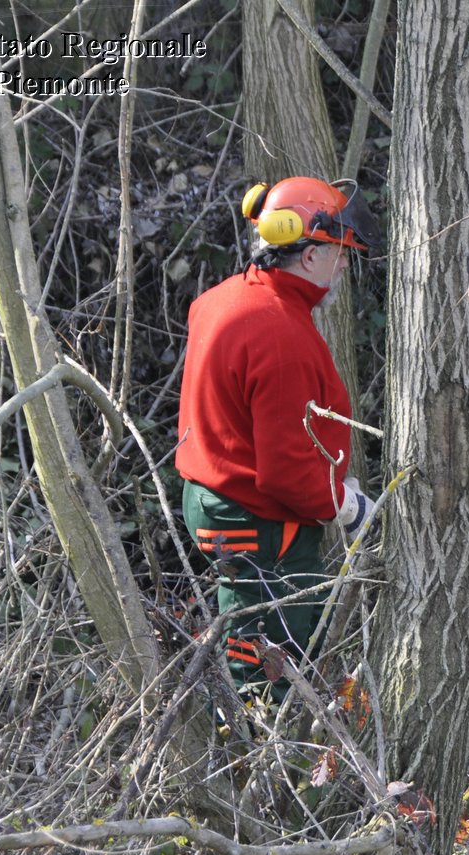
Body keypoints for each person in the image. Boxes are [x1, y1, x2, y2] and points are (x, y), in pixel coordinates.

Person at [175, 176, 382, 694]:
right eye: (340, 254)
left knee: (250, 635)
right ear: (309, 255)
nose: (343, 268)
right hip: (258, 518)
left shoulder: (225, 299)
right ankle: (259, 761)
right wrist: (348, 507)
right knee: (269, 659)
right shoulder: (281, 333)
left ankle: (249, 741)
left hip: (217, 498)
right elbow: (286, 470)